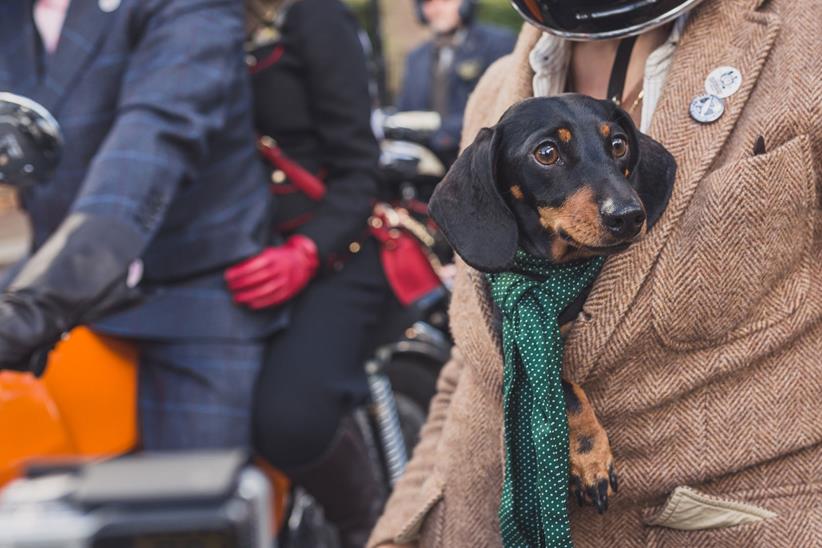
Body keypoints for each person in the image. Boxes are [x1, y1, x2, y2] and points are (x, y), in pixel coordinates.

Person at [370, 0, 822, 546]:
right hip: (473, 523)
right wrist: (400, 527)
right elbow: (470, 366)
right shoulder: (493, 89)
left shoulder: (807, 42)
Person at [0, 0, 284, 450]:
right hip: (54, 267)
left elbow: (149, 146)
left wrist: (29, 309)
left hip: (186, 290)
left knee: (190, 507)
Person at [228, 1, 390, 546]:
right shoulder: (179, 20)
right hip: (225, 258)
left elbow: (357, 168)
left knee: (287, 420)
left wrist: (306, 252)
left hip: (329, 255)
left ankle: (367, 523)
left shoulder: (313, 17)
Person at [396, 0, 515, 166]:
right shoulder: (415, 58)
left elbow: (504, 106)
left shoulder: (498, 44)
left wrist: (443, 132)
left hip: (481, 159)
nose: (438, 9)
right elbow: (405, 110)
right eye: (429, 3)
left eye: (446, 1)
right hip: (428, 165)